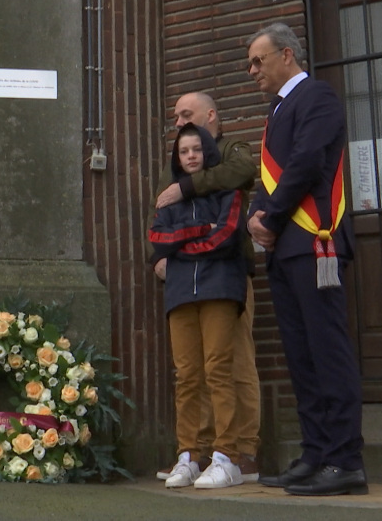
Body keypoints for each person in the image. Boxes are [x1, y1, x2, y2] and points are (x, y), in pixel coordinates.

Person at [245, 23, 367, 496]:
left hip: (315, 244)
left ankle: (345, 460)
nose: (252, 70)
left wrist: (269, 219)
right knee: (301, 357)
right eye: (250, 63)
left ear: (287, 55)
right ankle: (316, 453)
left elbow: (307, 161)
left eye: (258, 60)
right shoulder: (277, 111)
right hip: (285, 251)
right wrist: (258, 217)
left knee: (327, 352)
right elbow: (269, 176)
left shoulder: (316, 97)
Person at [147, 93, 260, 485]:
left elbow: (242, 174)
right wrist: (161, 253)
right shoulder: (173, 162)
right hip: (183, 280)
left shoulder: (233, 150)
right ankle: (198, 452)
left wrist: (190, 188)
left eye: (186, 115)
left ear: (211, 115)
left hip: (226, 276)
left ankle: (241, 452)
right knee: (192, 371)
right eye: (177, 118)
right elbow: (160, 217)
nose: (178, 122)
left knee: (232, 363)